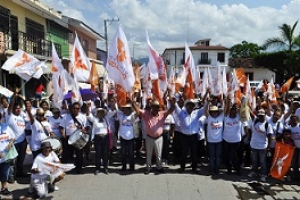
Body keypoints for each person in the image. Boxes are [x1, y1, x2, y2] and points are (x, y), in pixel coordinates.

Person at [131, 97, 176, 175]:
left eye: (157, 107)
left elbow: (171, 110)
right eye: (153, 106)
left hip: (159, 138)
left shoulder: (162, 114)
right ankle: (148, 167)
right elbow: (138, 111)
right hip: (149, 137)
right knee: (148, 154)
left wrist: (173, 104)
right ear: (151, 107)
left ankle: (159, 167)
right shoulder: (146, 114)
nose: (155, 108)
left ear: (159, 108)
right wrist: (133, 103)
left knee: (159, 154)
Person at [175, 99, 204, 174]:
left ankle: (194, 167)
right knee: (184, 152)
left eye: (192, 105)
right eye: (189, 105)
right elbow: (176, 107)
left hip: (194, 136)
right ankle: (182, 167)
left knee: (194, 153)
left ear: (193, 106)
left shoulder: (196, 113)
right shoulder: (182, 113)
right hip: (184, 136)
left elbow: (204, 109)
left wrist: (208, 102)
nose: (190, 106)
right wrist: (174, 101)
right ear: (186, 106)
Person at [59, 102, 89, 174]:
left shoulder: (83, 117)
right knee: (66, 154)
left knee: (79, 154)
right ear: (72, 109)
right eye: (74, 108)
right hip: (69, 138)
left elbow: (87, 126)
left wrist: (84, 130)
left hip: (79, 138)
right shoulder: (66, 117)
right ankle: (63, 169)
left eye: (77, 108)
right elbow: (61, 126)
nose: (76, 110)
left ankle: (79, 169)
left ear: (79, 109)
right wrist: (63, 133)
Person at [247, 109, 273, 182]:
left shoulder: (267, 125)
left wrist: (268, 147)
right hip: (254, 145)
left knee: (262, 162)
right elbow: (251, 113)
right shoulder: (255, 121)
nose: (261, 117)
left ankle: (263, 175)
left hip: (262, 147)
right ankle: (254, 172)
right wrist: (245, 104)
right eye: (259, 116)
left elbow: (270, 136)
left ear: (265, 116)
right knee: (254, 160)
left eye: (262, 116)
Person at [86, 107, 110, 175]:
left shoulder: (106, 119)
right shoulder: (95, 119)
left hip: (105, 137)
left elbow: (113, 112)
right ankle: (97, 168)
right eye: (99, 112)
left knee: (105, 153)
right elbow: (88, 115)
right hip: (98, 138)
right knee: (98, 154)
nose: (101, 113)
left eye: (102, 112)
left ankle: (105, 167)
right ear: (97, 113)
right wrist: (88, 106)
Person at [116, 103, 137, 175]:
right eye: (124, 109)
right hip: (123, 137)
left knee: (131, 153)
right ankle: (124, 166)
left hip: (131, 137)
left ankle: (132, 167)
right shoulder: (121, 116)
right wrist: (122, 103)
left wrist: (132, 102)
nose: (126, 110)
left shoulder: (133, 116)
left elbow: (137, 111)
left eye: (127, 109)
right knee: (123, 153)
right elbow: (118, 108)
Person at [0, 114, 15, 196]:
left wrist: (10, 143)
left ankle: (4, 189)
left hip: (5, 156)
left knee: (5, 173)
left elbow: (13, 137)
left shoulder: (6, 127)